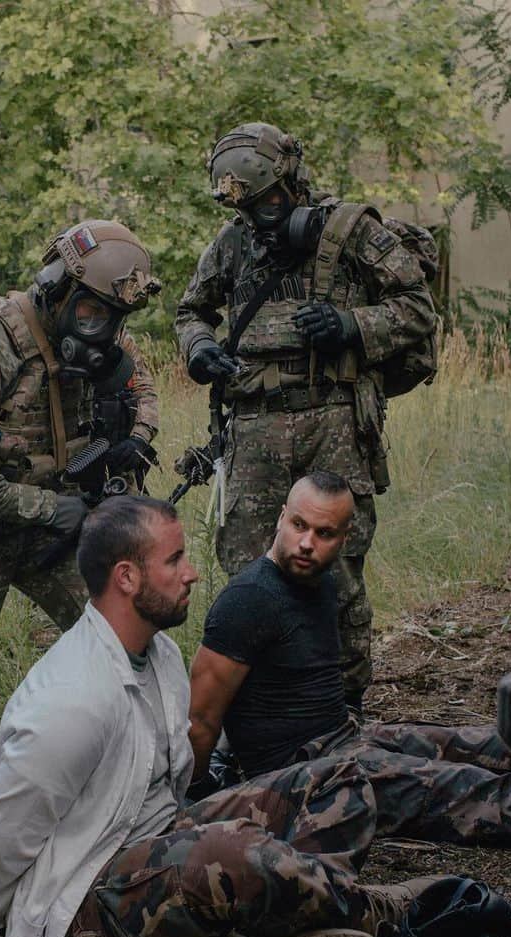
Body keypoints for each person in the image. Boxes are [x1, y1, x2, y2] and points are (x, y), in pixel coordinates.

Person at [0, 496, 443, 937]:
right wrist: (6, 921)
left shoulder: (162, 655)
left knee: (335, 779)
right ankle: (384, 913)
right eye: (174, 560)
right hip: (82, 902)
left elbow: (176, 793)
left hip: (156, 839)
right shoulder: (71, 703)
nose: (191, 573)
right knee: (229, 854)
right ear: (126, 578)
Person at [0, 220, 163, 829]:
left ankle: (127, 780)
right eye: (94, 311)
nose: (104, 327)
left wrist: (136, 439)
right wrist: (47, 509)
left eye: (113, 316)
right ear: (57, 288)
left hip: (51, 520)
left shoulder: (98, 338)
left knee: (121, 637)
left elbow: (142, 387)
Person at [175, 121, 438, 714]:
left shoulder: (350, 232)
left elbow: (416, 308)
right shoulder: (234, 242)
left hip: (334, 423)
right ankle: (255, 709)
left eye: (270, 202)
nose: (263, 219)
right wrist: (198, 348)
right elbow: (191, 309)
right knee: (248, 570)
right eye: (249, 207)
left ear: (290, 181)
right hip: (254, 429)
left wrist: (353, 325)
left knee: (335, 573)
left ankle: (339, 706)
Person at [189, 472, 511, 847]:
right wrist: (203, 797)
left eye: (324, 533)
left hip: (344, 737)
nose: (306, 543)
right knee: (475, 790)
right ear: (281, 517)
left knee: (494, 745)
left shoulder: (321, 581)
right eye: (299, 525)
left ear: (343, 539)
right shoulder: (247, 599)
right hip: (306, 777)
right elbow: (201, 718)